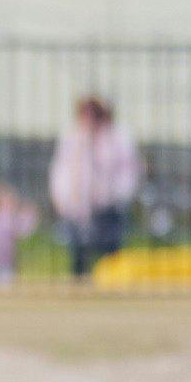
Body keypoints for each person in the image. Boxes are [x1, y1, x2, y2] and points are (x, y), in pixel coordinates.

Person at [48, 95, 141, 281]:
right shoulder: (73, 137)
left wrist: (118, 195)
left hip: (108, 206)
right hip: (78, 206)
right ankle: (79, 283)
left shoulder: (117, 138)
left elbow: (128, 171)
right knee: (79, 252)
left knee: (110, 253)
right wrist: (62, 197)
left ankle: (112, 283)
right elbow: (61, 170)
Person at [0, 177, 41, 285]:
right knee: (1, 286)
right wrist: (29, 215)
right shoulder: (1, 217)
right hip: (0, 261)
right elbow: (21, 230)